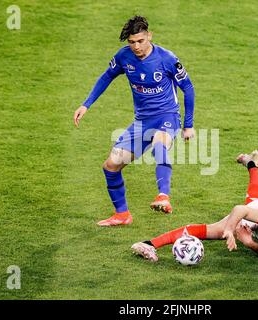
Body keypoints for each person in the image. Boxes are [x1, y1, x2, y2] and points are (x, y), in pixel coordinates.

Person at [73, 16, 196, 226]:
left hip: (167, 116)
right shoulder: (124, 57)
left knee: (160, 143)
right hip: (141, 123)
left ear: (149, 35)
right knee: (111, 165)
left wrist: (188, 125)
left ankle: (163, 196)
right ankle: (122, 215)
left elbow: (188, 88)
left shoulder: (167, 58)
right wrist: (86, 104)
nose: (136, 46)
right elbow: (106, 77)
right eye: (132, 42)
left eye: (140, 41)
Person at [131, 150, 258, 266]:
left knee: (252, 201)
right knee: (218, 230)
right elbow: (240, 210)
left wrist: (250, 243)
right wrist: (229, 230)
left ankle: (252, 164)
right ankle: (148, 244)